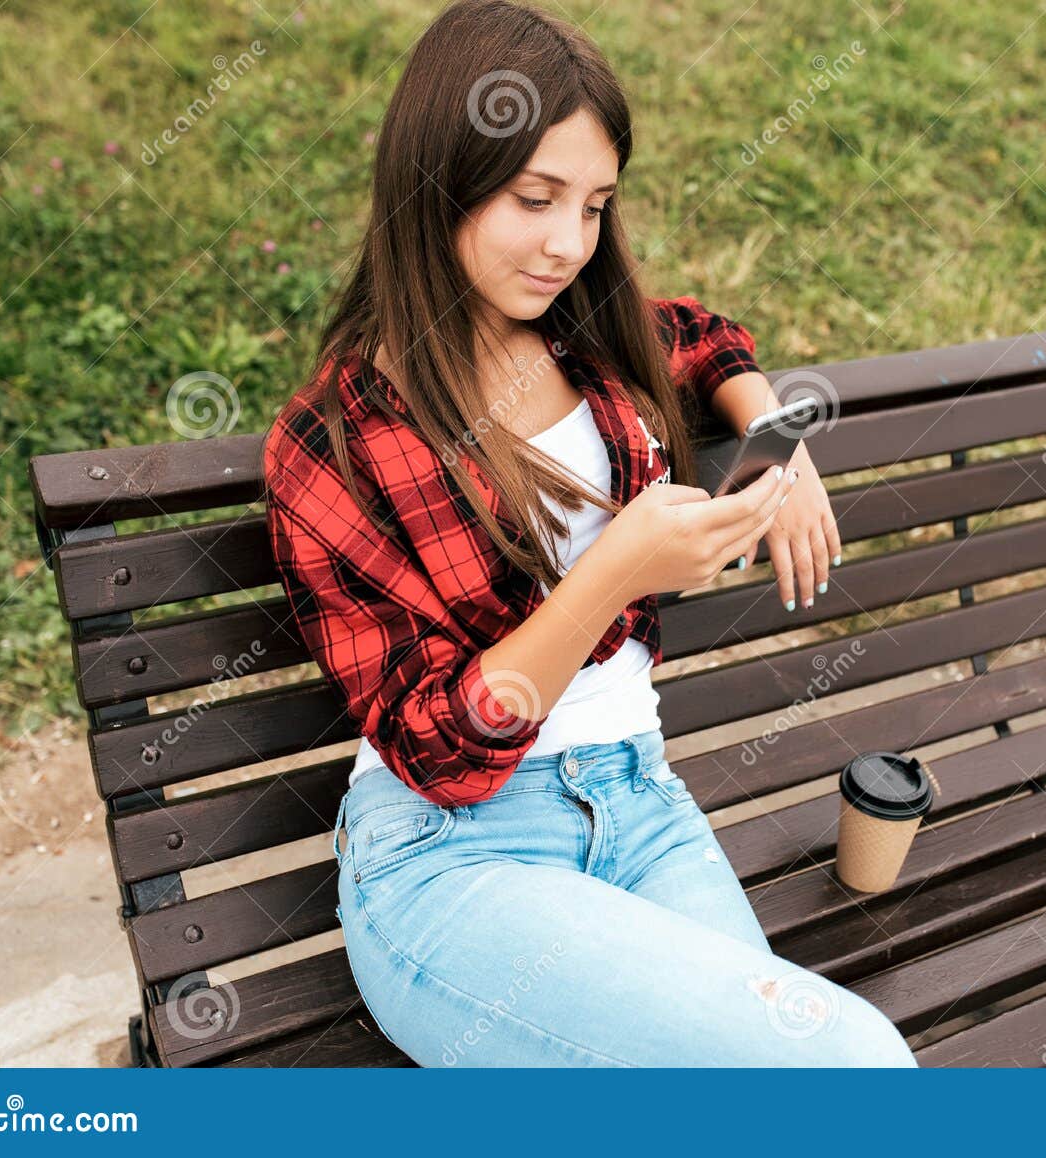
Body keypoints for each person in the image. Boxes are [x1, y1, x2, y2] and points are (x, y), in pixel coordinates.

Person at [262, 0, 916, 1067]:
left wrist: (774, 432)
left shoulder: (582, 331)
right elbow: (434, 750)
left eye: (596, 204)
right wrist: (611, 575)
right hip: (453, 858)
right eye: (534, 198)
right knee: (847, 1065)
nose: (569, 242)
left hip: (638, 802)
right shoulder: (338, 445)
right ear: (438, 183)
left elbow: (698, 335)